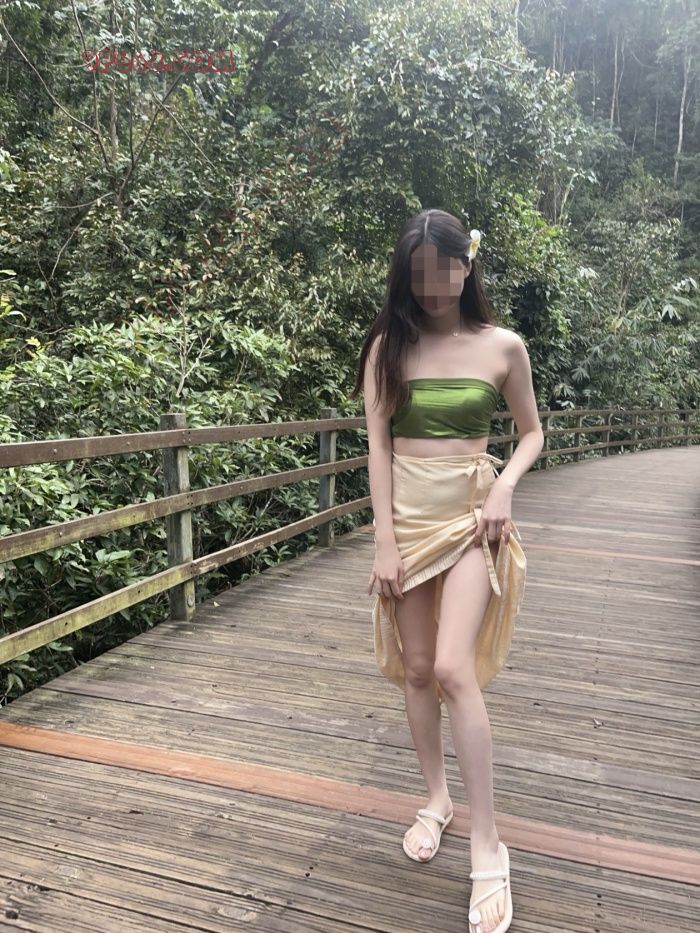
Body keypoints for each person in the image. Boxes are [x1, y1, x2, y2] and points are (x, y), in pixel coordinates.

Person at [349, 209, 543, 933]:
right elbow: (377, 446)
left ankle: (488, 843)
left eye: (445, 271)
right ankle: (436, 797)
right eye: (419, 276)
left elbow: (532, 433)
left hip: (468, 521)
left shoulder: (503, 346)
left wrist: (505, 485)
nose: (433, 288)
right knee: (418, 667)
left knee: (455, 669)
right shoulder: (387, 347)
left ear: (467, 265)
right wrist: (384, 541)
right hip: (406, 526)